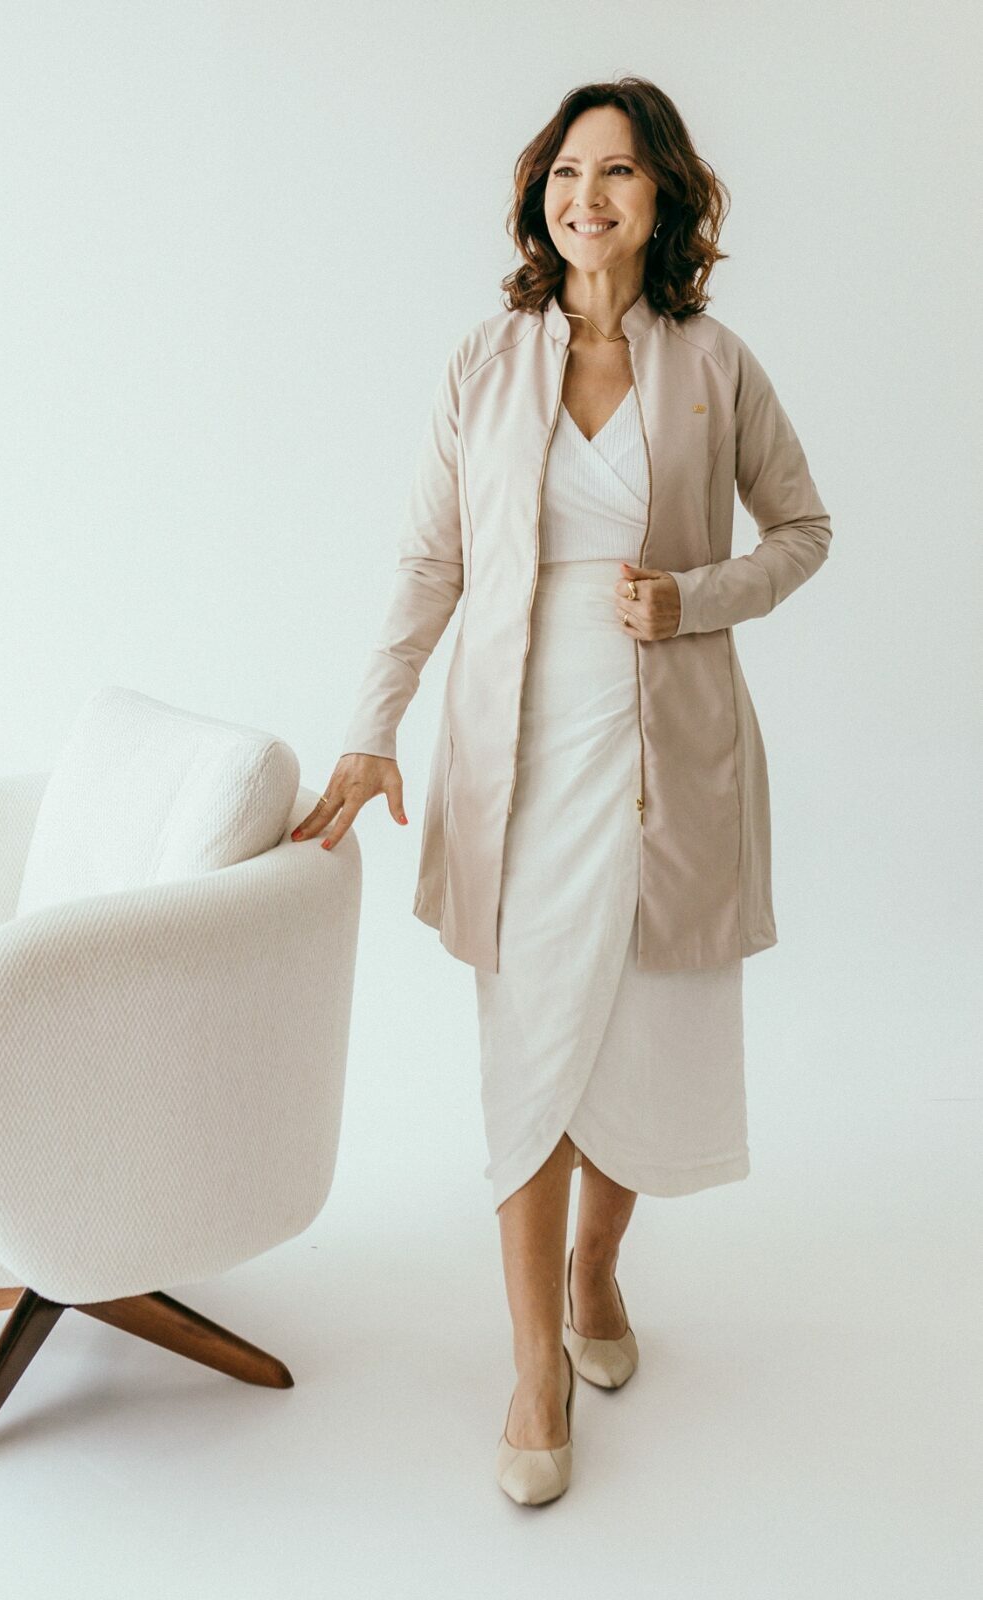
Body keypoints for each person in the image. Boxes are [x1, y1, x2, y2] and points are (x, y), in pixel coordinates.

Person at [290, 78, 832, 1505]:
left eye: (620, 173)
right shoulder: (484, 362)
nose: (588, 196)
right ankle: (535, 1366)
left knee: (641, 1032)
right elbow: (431, 562)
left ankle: (597, 1267)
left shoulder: (714, 363)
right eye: (568, 172)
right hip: (518, 761)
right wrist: (372, 726)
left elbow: (803, 529)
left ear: (663, 200)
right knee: (532, 1051)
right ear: (542, 195)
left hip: (668, 758)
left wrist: (695, 597)